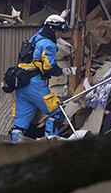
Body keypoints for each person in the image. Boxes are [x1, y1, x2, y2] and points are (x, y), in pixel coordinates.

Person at [10, 13, 68, 143]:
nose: (59, 36)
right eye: (59, 32)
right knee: (57, 112)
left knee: (19, 124)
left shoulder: (35, 38)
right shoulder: (49, 44)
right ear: (53, 30)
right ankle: (49, 143)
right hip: (34, 84)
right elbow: (49, 67)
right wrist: (63, 71)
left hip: (21, 83)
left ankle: (14, 148)